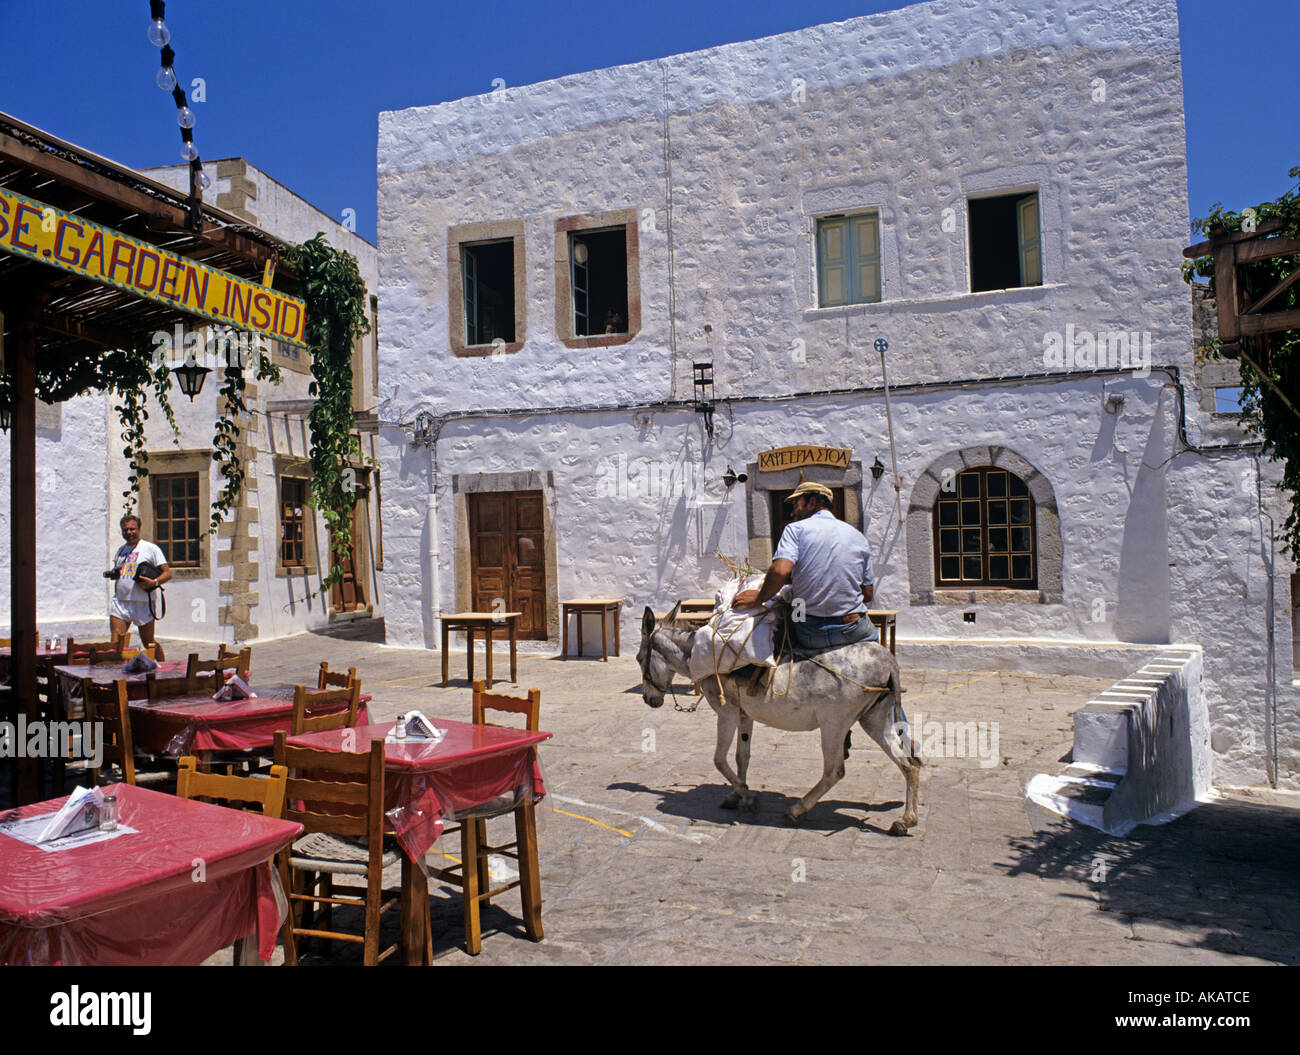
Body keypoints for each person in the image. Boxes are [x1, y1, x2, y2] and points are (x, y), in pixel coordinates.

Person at [732, 480, 878, 654]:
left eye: (796, 504)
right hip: (853, 627)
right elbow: (868, 594)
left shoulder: (795, 529)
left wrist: (759, 598)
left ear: (813, 502)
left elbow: (779, 570)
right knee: (876, 648)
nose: (793, 512)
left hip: (810, 631)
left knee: (792, 615)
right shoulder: (857, 536)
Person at [108, 514, 171, 660]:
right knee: (116, 644)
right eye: (125, 530)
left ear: (139, 529)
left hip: (143, 602)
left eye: (132, 529)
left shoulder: (150, 549)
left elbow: (167, 573)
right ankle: (119, 678)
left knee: (149, 643)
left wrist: (154, 582)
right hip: (121, 602)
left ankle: (164, 669)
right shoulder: (120, 550)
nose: (129, 533)